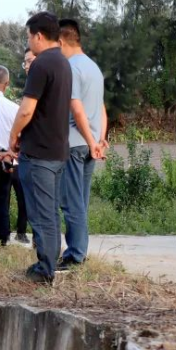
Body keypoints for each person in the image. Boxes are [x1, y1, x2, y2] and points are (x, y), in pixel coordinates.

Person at [9, 12, 72, 284]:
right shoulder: (63, 62)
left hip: (39, 154)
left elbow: (26, 109)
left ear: (37, 35)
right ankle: (48, 263)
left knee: (41, 213)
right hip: (57, 150)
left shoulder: (41, 64)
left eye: (28, 36)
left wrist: (14, 135)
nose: (29, 41)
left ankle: (45, 269)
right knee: (50, 212)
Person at [57, 18, 107, 269]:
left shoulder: (72, 67)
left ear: (61, 41)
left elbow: (76, 107)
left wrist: (89, 139)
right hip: (89, 145)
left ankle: (76, 254)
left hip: (76, 143)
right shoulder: (94, 68)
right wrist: (98, 140)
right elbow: (101, 108)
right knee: (81, 200)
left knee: (71, 201)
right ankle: (77, 251)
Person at [0, 65, 24, 246]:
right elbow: (20, 138)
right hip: (7, 158)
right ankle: (3, 237)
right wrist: (13, 156)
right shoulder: (15, 108)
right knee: (2, 198)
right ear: (6, 84)